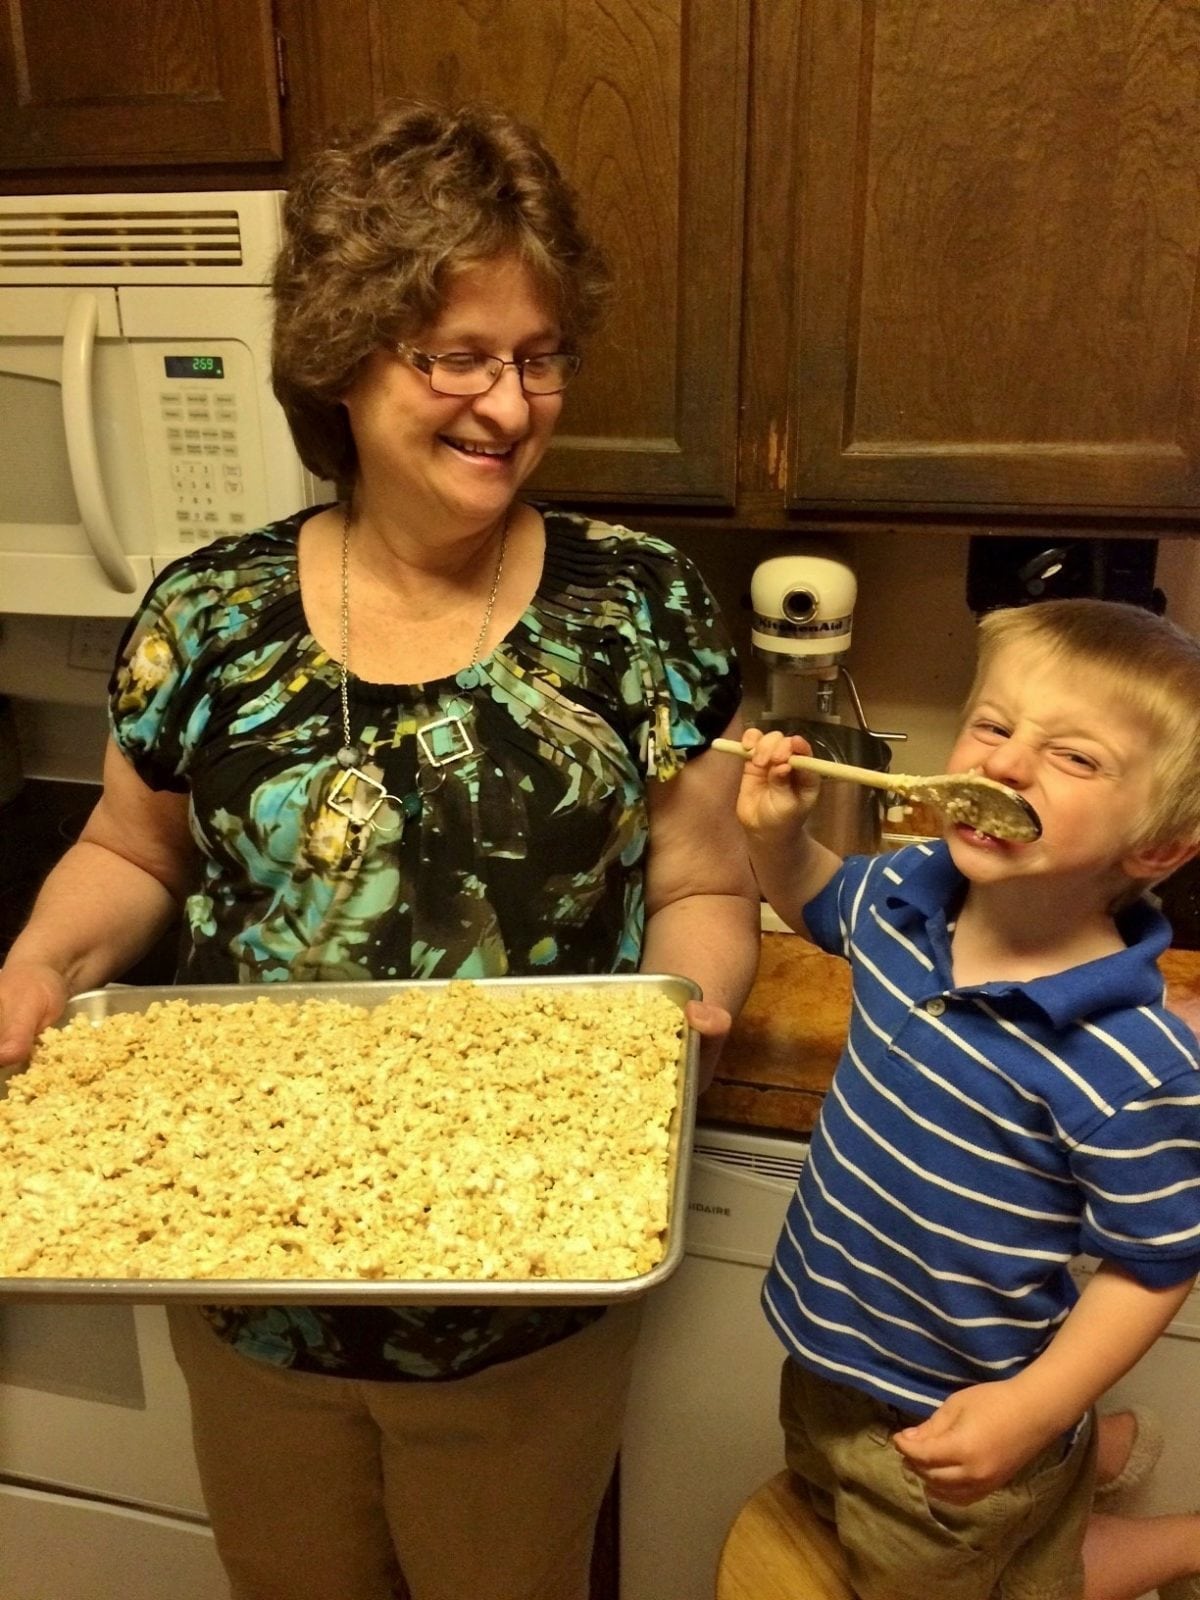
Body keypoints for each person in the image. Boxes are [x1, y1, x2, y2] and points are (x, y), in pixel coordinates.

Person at [0, 100, 760, 1600]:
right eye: (459, 355)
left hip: (527, 1303)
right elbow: (132, 852)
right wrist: (38, 958)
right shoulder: (207, 614)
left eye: (541, 356)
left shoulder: (642, 607)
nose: (511, 401)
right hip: (244, 1279)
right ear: (343, 359)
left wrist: (681, 1024)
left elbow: (705, 880)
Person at [733, 597, 1200, 1600]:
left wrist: (1033, 1411)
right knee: (833, 1503)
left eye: (1073, 757)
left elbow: (1153, 1264)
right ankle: (1091, 1460)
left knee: (977, 1575)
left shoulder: (1131, 1064)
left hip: (969, 1403)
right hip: (826, 1354)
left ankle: (1146, 1527)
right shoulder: (907, 894)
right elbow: (817, 900)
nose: (1004, 764)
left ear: (1156, 846)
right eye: (993, 725)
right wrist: (778, 838)